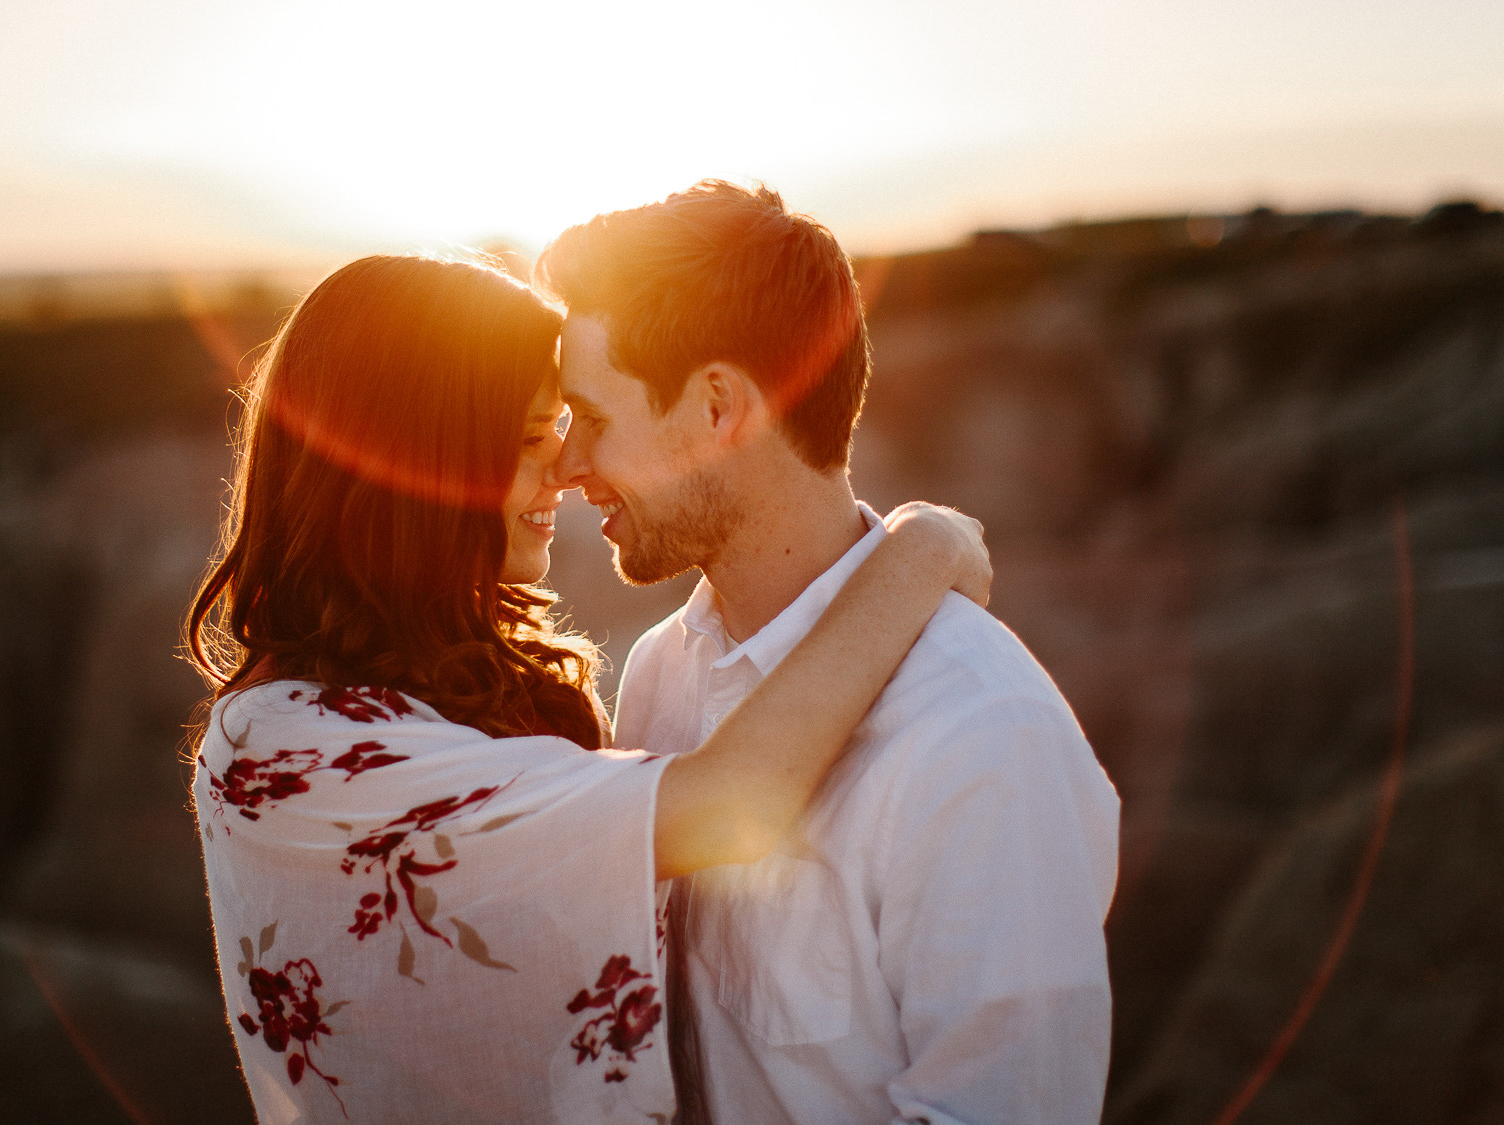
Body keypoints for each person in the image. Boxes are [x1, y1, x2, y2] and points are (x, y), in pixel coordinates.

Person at [185, 253, 990, 1124]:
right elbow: (732, 803)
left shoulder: (429, 689)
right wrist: (922, 546)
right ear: (416, 462)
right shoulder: (289, 751)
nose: (566, 468)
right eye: (531, 437)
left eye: (571, 425)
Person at [537, 181, 1122, 1125]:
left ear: (719, 404)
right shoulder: (658, 674)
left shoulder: (983, 737)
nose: (566, 467)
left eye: (593, 419)